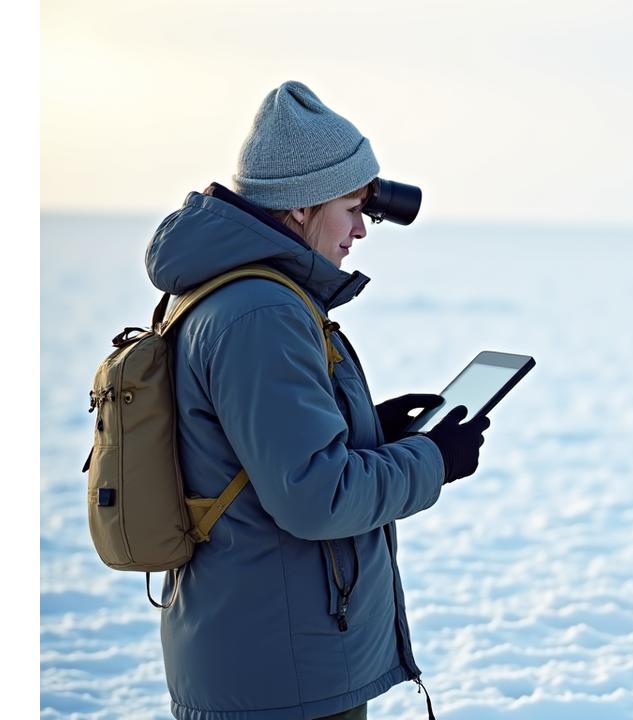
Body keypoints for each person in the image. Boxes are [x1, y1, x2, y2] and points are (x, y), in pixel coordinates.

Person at [144, 80, 488, 720]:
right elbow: (316, 495)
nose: (361, 229)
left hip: (264, 650)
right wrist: (431, 461)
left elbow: (245, 458)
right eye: (352, 208)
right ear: (301, 208)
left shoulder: (234, 295)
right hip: (279, 674)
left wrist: (371, 431)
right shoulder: (262, 312)